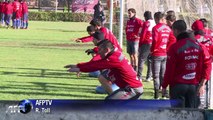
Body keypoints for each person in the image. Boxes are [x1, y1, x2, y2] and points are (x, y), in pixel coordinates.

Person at [65, 40, 143, 99]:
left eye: (99, 50)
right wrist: (79, 66)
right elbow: (105, 48)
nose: (98, 52)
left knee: (109, 104)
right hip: (127, 86)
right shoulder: (114, 51)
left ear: (106, 50)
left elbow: (95, 65)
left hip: (133, 90)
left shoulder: (113, 59)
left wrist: (79, 67)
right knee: (102, 77)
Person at [162, 20, 212, 108]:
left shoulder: (174, 47)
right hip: (194, 85)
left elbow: (169, 70)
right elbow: (207, 64)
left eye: (173, 31)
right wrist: (202, 83)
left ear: (176, 31)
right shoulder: (199, 46)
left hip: (178, 86)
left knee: (178, 114)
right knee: (192, 114)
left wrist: (164, 85)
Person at [150, 12, 174, 99]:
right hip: (165, 53)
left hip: (157, 53)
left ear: (156, 19)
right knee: (163, 74)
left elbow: (155, 40)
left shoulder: (156, 28)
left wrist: (152, 50)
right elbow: (172, 39)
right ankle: (164, 92)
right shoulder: (168, 28)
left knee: (156, 74)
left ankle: (156, 93)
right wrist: (167, 49)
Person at [138, 11, 155, 81]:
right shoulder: (154, 22)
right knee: (150, 60)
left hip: (146, 43)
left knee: (141, 59)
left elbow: (143, 34)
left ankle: (139, 76)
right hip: (153, 43)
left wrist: (140, 43)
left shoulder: (147, 23)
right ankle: (149, 76)